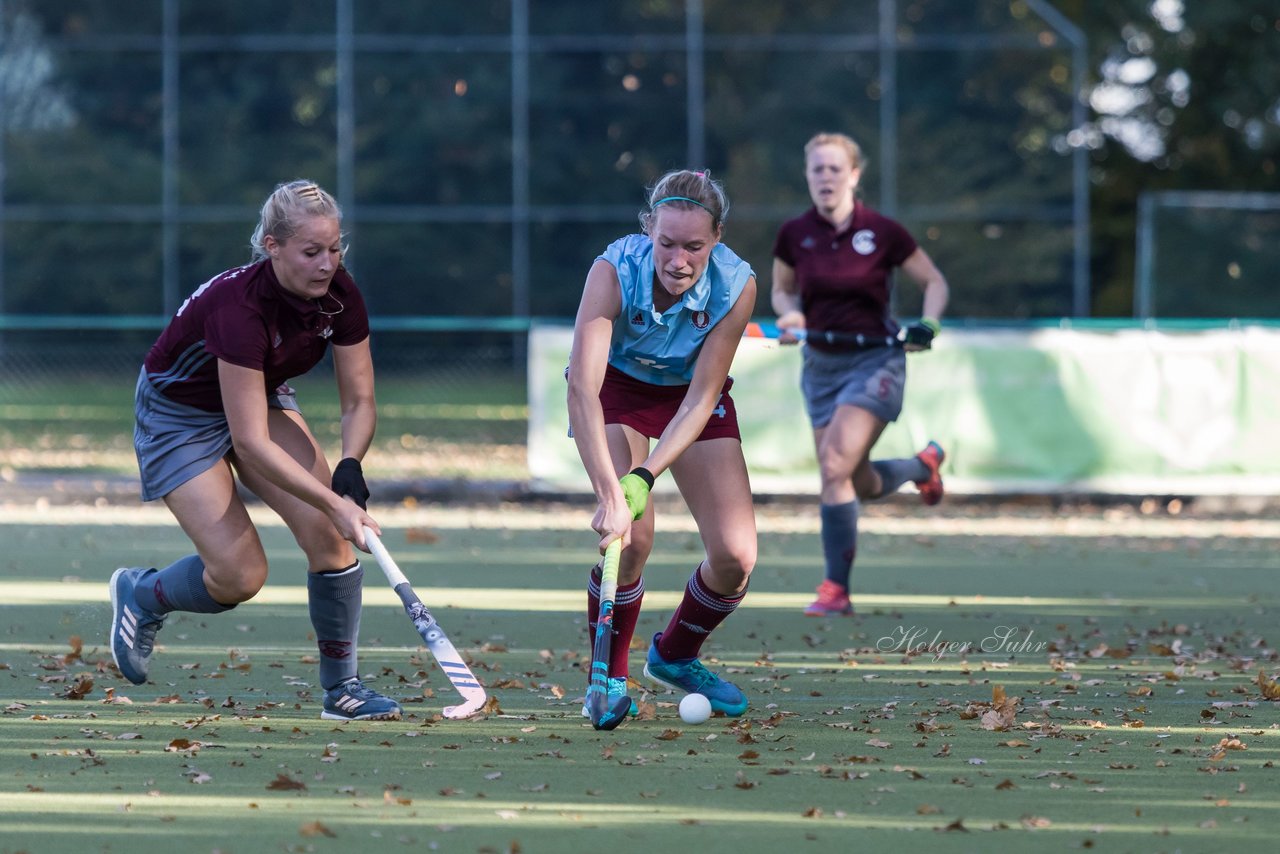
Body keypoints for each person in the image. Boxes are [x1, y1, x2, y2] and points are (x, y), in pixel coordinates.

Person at [109, 179, 401, 721]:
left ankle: (343, 689)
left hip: (258, 394)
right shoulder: (240, 307)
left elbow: (359, 400)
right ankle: (143, 594)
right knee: (241, 576)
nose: (326, 264)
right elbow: (249, 441)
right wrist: (335, 502)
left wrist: (350, 465)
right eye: (311, 252)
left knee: (328, 538)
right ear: (272, 246)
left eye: (335, 249)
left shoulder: (341, 294)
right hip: (179, 415)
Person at [566, 169, 758, 719]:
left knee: (735, 558)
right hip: (616, 390)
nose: (678, 260)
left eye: (694, 246)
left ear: (716, 237)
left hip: (688, 398)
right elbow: (583, 388)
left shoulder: (736, 284)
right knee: (634, 535)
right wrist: (611, 493)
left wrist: (645, 476)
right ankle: (610, 674)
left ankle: (674, 655)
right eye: (667, 243)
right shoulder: (612, 271)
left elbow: (701, 399)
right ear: (648, 228)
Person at [771, 132, 950, 617]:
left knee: (833, 467)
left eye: (834, 169)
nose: (825, 178)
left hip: (876, 361)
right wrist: (791, 317)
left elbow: (933, 282)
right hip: (820, 366)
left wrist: (927, 325)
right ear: (807, 176)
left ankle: (835, 589)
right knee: (855, 479)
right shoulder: (794, 234)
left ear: (853, 175)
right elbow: (782, 293)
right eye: (817, 170)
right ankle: (921, 466)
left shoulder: (883, 231)